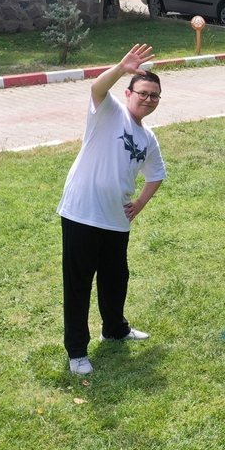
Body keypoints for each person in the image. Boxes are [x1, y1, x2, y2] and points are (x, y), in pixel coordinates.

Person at [57, 44, 167, 375]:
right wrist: (121, 68)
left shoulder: (148, 138)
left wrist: (140, 203)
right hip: (82, 212)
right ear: (129, 93)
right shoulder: (109, 111)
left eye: (154, 96)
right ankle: (77, 351)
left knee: (115, 278)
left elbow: (157, 175)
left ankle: (115, 328)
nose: (148, 99)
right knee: (78, 284)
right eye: (143, 93)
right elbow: (97, 87)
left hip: (116, 219)